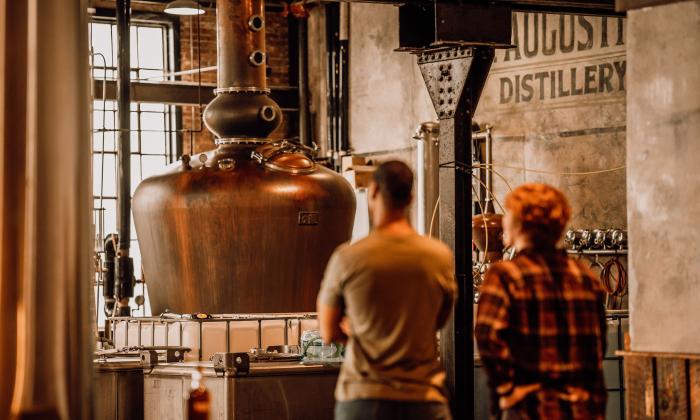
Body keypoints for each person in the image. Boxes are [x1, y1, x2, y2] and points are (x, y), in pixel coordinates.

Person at [317, 160, 457, 420]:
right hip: (423, 398)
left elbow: (327, 332)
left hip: (364, 397)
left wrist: (360, 332)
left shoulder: (348, 257)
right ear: (411, 198)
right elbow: (438, 320)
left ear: (373, 192)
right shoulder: (438, 255)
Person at [475, 183, 607, 420]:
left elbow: (487, 338)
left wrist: (507, 391)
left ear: (516, 223)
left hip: (529, 409)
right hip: (580, 410)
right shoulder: (586, 278)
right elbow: (596, 353)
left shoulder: (505, 277)